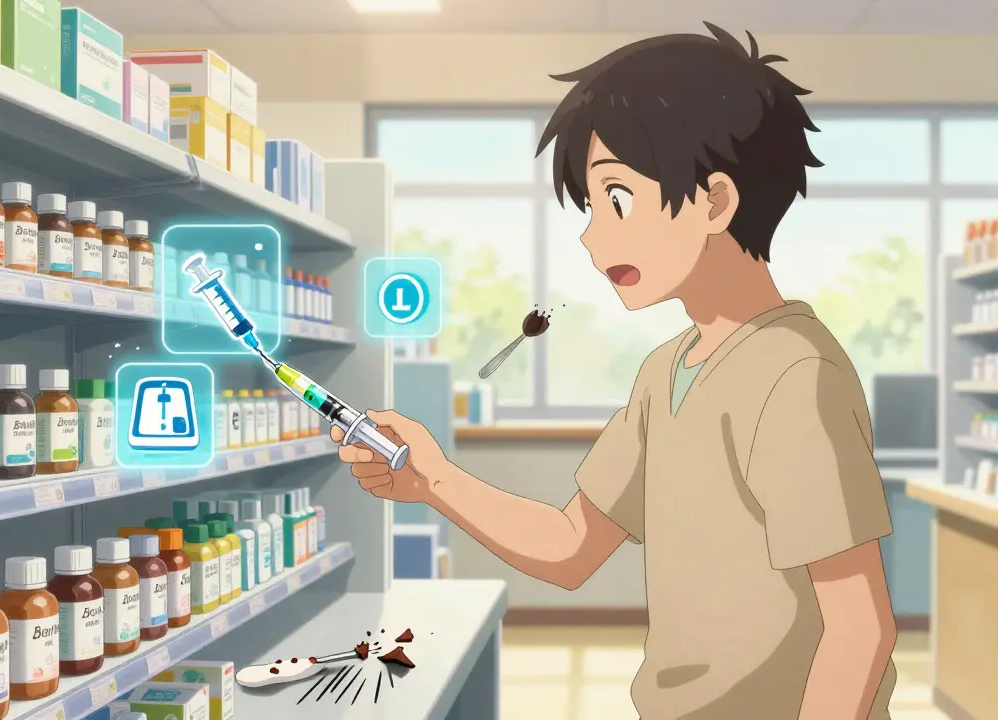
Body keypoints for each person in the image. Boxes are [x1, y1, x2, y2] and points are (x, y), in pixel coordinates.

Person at [334, 22, 897, 720]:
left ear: (716, 201)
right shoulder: (665, 373)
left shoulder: (795, 374)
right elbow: (572, 547)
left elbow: (859, 626)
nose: (592, 235)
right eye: (591, 206)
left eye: (618, 199)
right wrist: (434, 478)